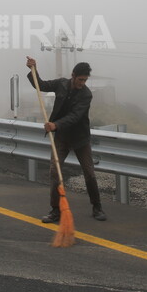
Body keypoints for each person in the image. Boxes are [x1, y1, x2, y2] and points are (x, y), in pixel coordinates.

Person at [26, 56, 106, 222]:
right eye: (80, 79)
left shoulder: (86, 95)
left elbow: (75, 116)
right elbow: (42, 85)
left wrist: (55, 125)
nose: (82, 83)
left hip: (80, 138)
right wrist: (33, 69)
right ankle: (56, 210)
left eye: (85, 80)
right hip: (62, 138)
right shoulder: (61, 83)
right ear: (73, 75)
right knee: (55, 173)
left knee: (89, 173)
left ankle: (97, 207)